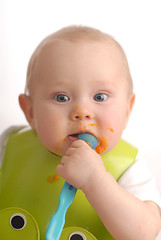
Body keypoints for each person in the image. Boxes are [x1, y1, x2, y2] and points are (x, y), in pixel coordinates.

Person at [0, 25, 161, 240]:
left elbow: (145, 233)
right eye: (61, 98)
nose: (82, 112)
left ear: (127, 110)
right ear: (30, 112)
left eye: (100, 97)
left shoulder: (128, 167)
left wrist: (96, 181)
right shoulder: (11, 145)